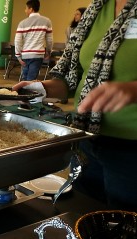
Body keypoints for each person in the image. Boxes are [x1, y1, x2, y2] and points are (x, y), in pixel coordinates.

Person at [13, 0, 137, 210]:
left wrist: (132, 90)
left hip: (131, 150)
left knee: (125, 226)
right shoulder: (97, 8)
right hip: (87, 138)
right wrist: (40, 88)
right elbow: (71, 76)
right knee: (84, 211)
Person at [14, 0, 53, 81]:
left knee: (24, 79)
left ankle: (23, 92)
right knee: (31, 80)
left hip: (25, 55)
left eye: (26, 8)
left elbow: (17, 41)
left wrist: (18, 56)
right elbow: (49, 40)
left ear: (31, 9)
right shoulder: (47, 21)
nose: (25, 10)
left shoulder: (22, 23)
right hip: (37, 55)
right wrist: (48, 51)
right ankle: (27, 92)